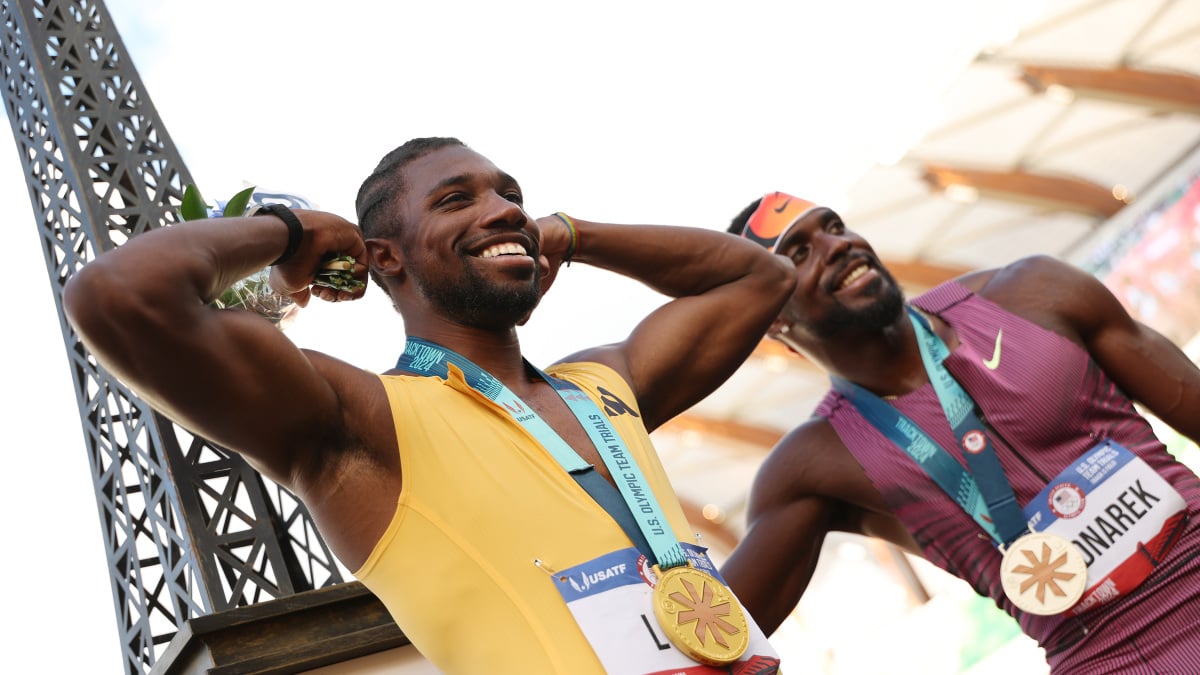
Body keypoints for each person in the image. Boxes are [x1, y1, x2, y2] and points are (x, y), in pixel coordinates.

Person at [61, 138, 795, 675]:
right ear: (385, 258)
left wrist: (567, 234)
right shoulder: (361, 423)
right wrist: (293, 231)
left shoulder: (606, 382)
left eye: (511, 195)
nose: (504, 209)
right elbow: (119, 296)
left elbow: (759, 279)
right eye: (457, 200)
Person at [719, 192, 1200, 673]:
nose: (837, 245)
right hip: (1110, 657)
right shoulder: (813, 465)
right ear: (772, 316)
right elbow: (712, 644)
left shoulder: (1033, 294)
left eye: (836, 226)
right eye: (799, 253)